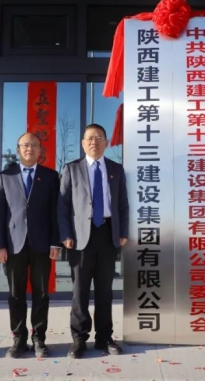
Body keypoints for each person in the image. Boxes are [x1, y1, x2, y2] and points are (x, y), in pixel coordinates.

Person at [59, 124, 129, 359]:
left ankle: (104, 336)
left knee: (105, 289)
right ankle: (79, 338)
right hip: (80, 237)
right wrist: (65, 234)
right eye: (90, 138)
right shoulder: (72, 169)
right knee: (80, 290)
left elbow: (122, 204)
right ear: (82, 143)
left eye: (99, 138)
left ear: (106, 143)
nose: (94, 142)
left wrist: (122, 231)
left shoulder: (116, 169)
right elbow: (63, 205)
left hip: (107, 234)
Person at [0, 132, 60, 358]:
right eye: (25, 145)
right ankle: (19, 338)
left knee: (41, 294)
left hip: (42, 244)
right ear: (18, 149)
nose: (30, 148)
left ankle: (39, 338)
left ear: (40, 150)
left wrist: (55, 242)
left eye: (34, 145)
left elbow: (55, 212)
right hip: (13, 244)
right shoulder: (5, 176)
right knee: (16, 294)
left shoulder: (51, 176)